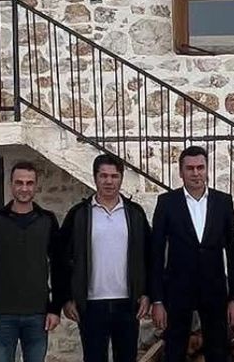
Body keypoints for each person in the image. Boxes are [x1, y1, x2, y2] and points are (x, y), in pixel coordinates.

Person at [150, 146, 234, 362]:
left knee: (218, 351)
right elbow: (156, 253)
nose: (195, 173)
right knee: (174, 351)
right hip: (177, 290)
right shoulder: (167, 203)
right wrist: (157, 300)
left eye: (200, 167)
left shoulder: (223, 202)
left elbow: (233, 253)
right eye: (190, 168)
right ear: (181, 172)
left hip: (214, 290)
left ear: (207, 169)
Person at [58, 154, 152, 362]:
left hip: (128, 303)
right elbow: (62, 259)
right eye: (103, 176)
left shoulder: (135, 214)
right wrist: (66, 297)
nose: (109, 181)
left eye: (114, 176)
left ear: (121, 178)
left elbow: (149, 256)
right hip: (90, 305)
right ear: (95, 177)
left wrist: (147, 293)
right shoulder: (79, 214)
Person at [0, 161, 63, 362]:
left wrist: (55, 309)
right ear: (11, 184)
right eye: (19, 183)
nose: (24, 188)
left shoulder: (47, 220)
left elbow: (59, 266)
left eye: (29, 183)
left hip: (38, 314)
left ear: (36, 186)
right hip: (1, 313)